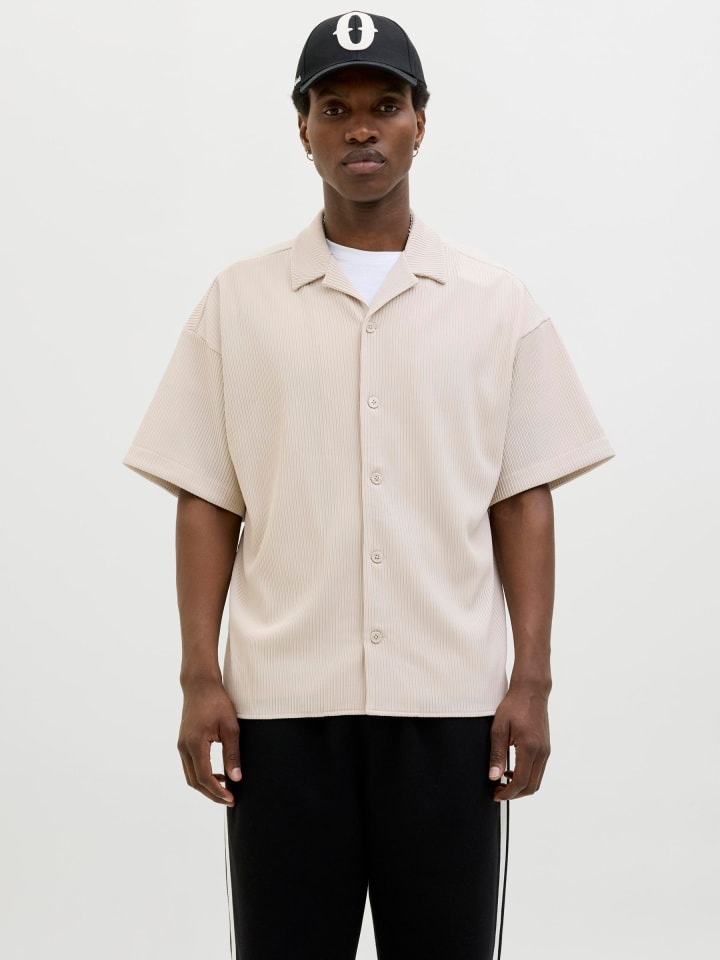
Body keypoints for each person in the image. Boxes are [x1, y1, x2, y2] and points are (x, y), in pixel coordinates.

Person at [124, 11, 614, 959]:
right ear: (301, 127)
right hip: (280, 711)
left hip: (451, 709)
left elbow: (522, 500)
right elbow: (207, 500)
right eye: (334, 107)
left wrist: (533, 680)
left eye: (385, 105)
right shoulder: (238, 302)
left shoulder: (496, 303)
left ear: (420, 123)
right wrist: (198, 675)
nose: (361, 128)